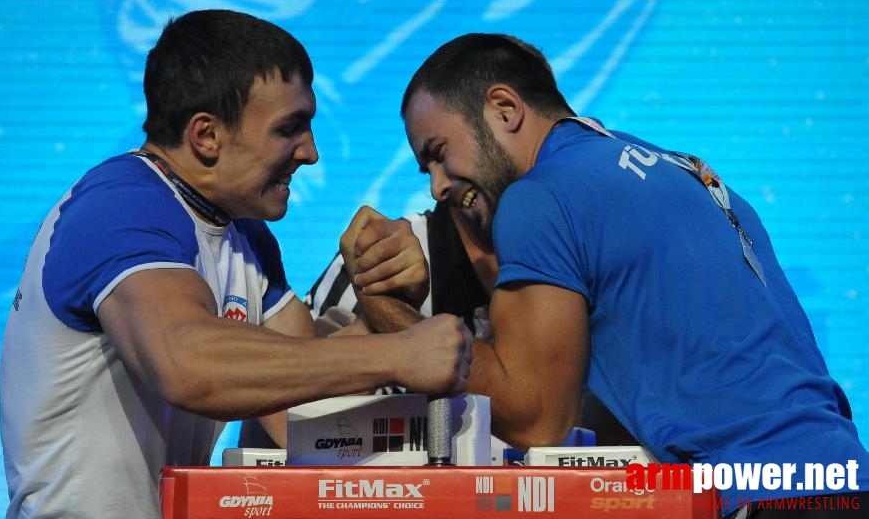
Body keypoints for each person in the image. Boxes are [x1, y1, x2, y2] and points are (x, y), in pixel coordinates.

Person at [360, 33, 868, 517]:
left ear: (505, 109)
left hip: (764, 497)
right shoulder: (689, 175)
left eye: (438, 154)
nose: (436, 187)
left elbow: (539, 417)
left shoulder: (540, 196)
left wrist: (382, 306)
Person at [0, 9, 471, 519]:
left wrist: (381, 303)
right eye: (289, 129)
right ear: (206, 136)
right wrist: (397, 354)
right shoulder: (120, 207)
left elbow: (300, 405)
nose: (310, 153)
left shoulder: (245, 235)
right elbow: (186, 365)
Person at [240, 198, 636, 449]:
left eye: (441, 152)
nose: (437, 184)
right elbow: (293, 421)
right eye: (428, 161)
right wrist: (383, 311)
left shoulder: (598, 259)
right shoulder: (387, 259)